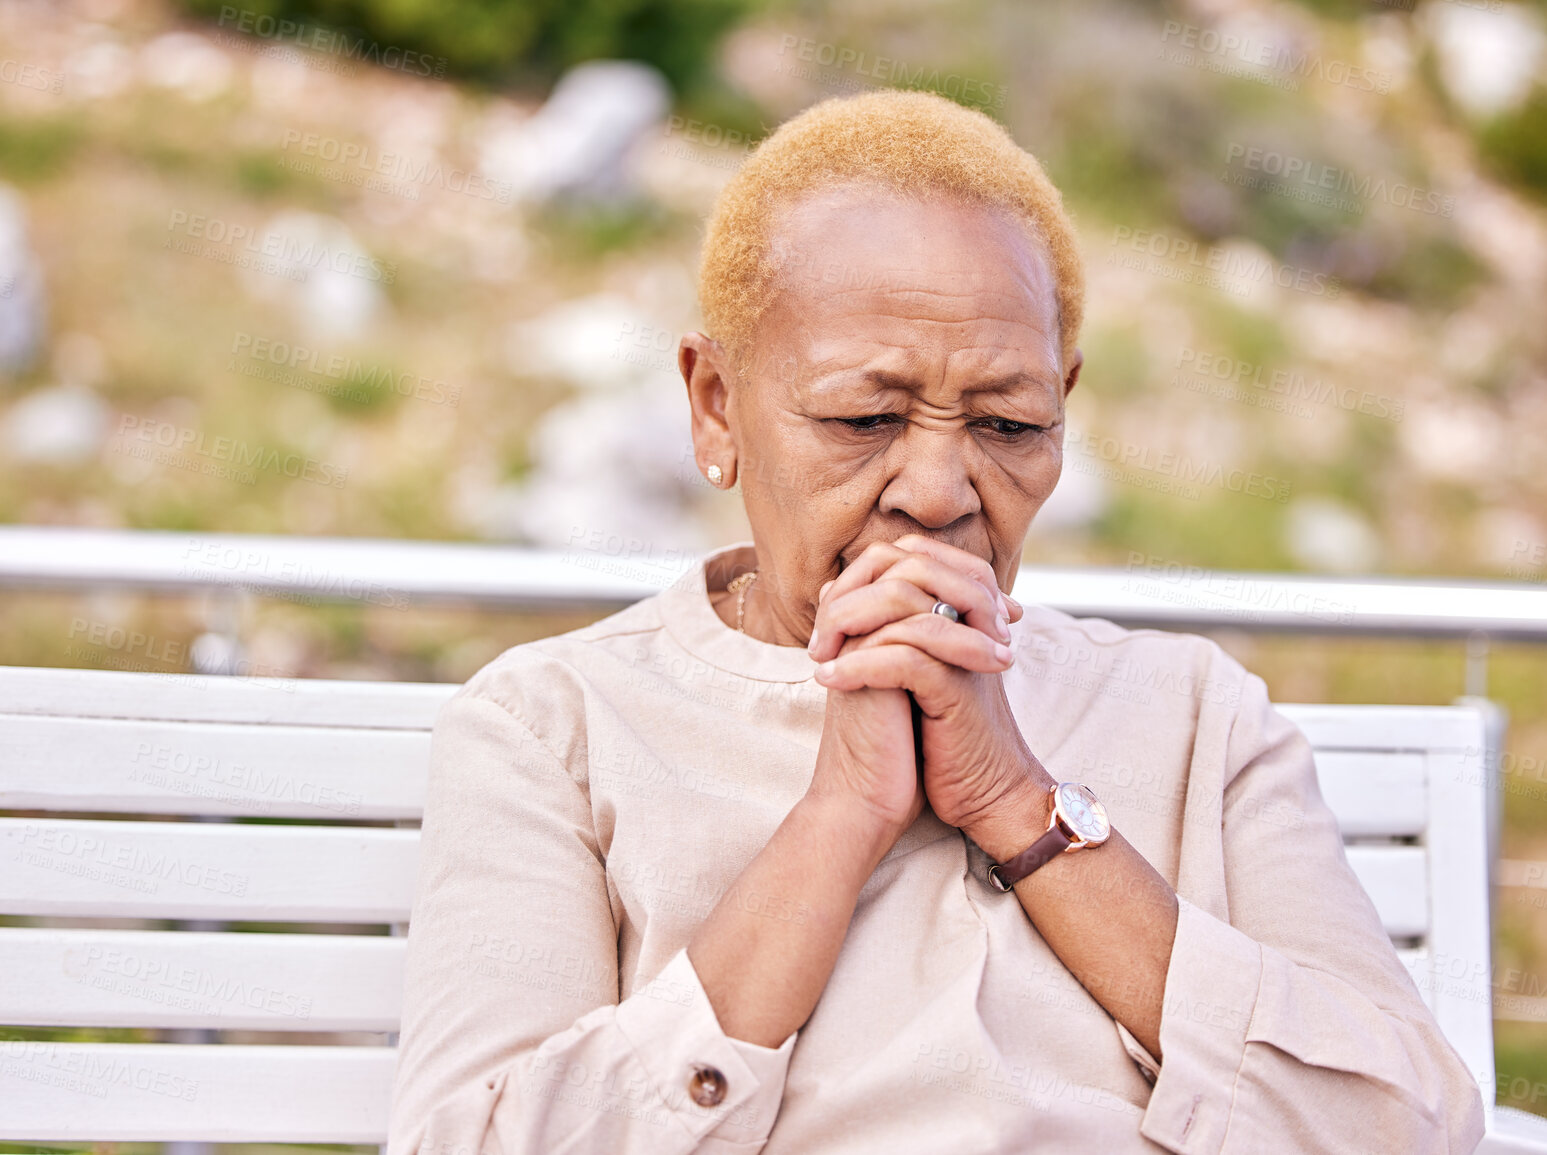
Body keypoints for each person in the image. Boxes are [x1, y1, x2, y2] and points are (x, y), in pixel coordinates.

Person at [385, 88, 1485, 1154]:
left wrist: (1021, 806)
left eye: (1009, 424)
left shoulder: (1198, 716)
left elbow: (1409, 1127)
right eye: (865, 417)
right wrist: (838, 818)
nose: (940, 490)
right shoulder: (552, 727)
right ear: (716, 408)